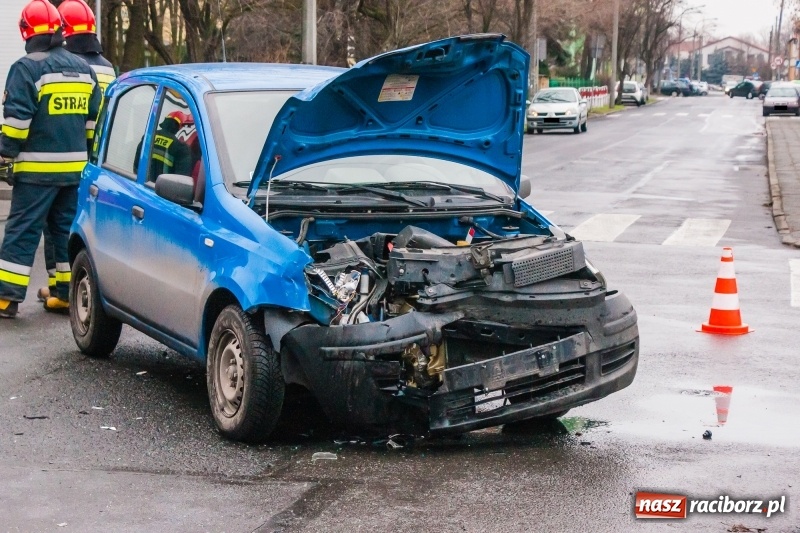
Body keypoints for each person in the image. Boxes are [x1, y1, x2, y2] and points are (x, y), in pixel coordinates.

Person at [0, 0, 101, 318]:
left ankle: (6, 297)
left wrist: (5, 153)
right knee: (64, 232)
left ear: (26, 31)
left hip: (36, 173)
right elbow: (93, 122)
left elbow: (16, 125)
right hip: (75, 172)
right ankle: (65, 293)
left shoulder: (26, 68)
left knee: (22, 231)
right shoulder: (84, 69)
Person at [36, 0, 116, 302]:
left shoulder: (63, 66)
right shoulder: (108, 68)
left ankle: (61, 288)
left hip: (68, 156)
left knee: (57, 224)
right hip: (103, 160)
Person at [134, 110, 194, 180]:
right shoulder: (181, 148)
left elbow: (137, 165)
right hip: (162, 186)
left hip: (142, 182)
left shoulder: (148, 137)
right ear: (179, 127)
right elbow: (180, 179)